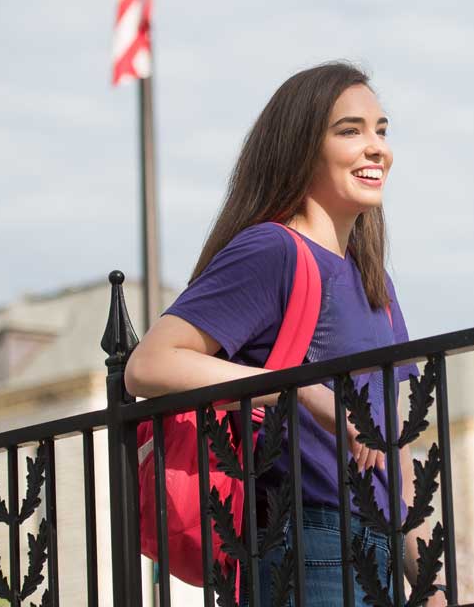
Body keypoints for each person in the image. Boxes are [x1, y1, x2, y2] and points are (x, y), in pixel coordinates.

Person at [125, 62, 443, 607]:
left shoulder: (375, 282)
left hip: (381, 550)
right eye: (350, 130)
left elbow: (395, 443)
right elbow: (149, 364)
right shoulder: (272, 251)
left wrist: (431, 579)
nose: (376, 148)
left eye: (381, 130)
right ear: (302, 147)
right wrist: (305, 391)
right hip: (308, 542)